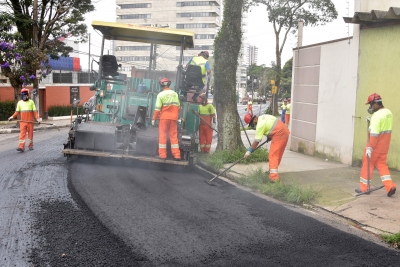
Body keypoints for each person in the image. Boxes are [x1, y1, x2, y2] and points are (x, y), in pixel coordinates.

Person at [355, 93, 396, 196]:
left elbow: (374, 134)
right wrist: (371, 121)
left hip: (375, 146)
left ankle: (364, 188)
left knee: (368, 164)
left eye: (371, 105)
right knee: (382, 165)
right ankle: (390, 186)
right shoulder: (388, 113)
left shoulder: (376, 116)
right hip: (384, 145)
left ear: (375, 104)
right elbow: (383, 127)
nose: (370, 107)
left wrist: (369, 147)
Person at [243, 113, 290, 182]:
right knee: (277, 154)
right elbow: (271, 126)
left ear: (255, 119)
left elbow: (256, 141)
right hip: (284, 132)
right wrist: (269, 136)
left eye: (252, 123)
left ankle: (274, 178)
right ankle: (272, 171)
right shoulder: (263, 117)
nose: (253, 125)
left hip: (279, 134)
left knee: (273, 155)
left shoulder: (259, 125)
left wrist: (249, 151)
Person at [152, 77, 181, 161]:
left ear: (161, 85)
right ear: (169, 84)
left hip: (164, 118)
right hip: (173, 118)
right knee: (173, 136)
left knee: (163, 135)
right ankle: (177, 155)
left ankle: (163, 155)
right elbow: (178, 107)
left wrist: (154, 119)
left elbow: (157, 109)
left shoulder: (160, 95)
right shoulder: (175, 94)